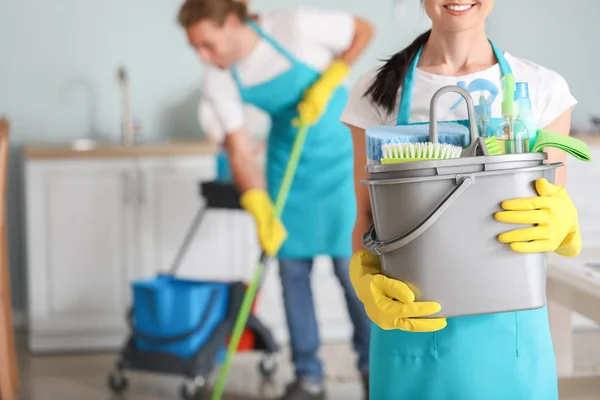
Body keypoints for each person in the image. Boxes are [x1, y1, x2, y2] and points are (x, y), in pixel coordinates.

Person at [340, 1, 581, 399]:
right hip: (413, 322)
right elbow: (366, 214)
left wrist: (563, 222)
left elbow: (552, 201)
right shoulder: (378, 90)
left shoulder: (540, 89)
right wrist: (365, 282)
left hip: (511, 335)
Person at [177, 1, 375, 398]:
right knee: (292, 274)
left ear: (232, 22)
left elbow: (363, 30)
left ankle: (375, 370)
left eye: (208, 45)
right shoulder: (219, 78)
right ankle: (308, 376)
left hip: (340, 158)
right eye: (196, 48)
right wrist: (259, 206)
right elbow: (238, 150)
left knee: (351, 270)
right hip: (288, 165)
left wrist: (333, 74)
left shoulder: (294, 26)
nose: (203, 56)